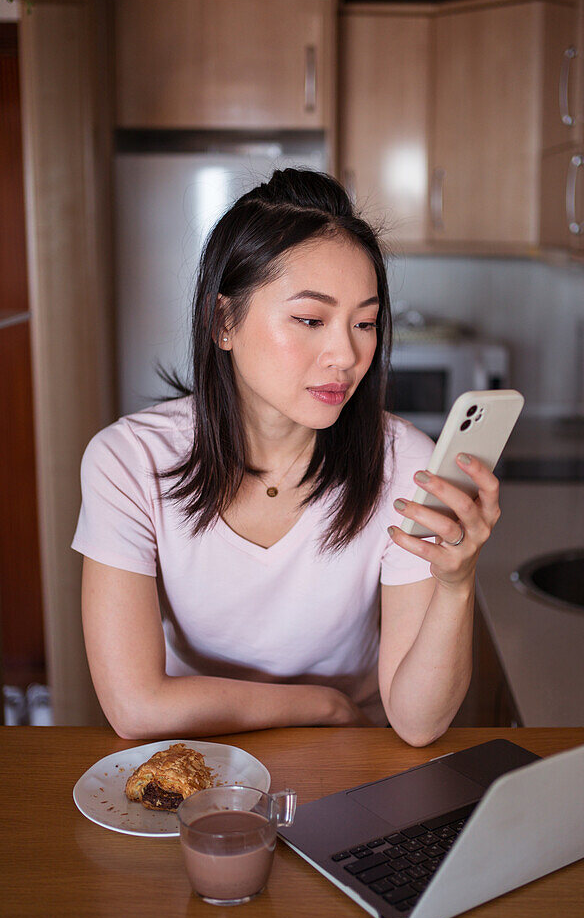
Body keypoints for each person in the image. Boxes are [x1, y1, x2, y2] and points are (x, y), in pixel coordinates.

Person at [72, 168, 502, 746]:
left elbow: (418, 722)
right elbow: (135, 707)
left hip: (348, 758)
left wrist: (456, 585)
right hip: (200, 753)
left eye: (365, 323)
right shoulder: (128, 461)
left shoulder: (405, 464)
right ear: (224, 321)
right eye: (309, 319)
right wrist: (325, 706)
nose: (346, 354)